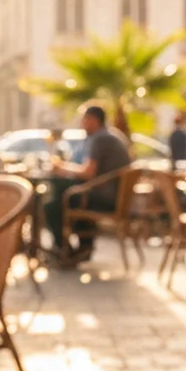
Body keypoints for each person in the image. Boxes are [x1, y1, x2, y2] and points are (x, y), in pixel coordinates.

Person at [46, 102, 132, 261]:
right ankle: (81, 247)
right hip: (111, 196)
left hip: (105, 198)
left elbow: (88, 172)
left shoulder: (100, 138)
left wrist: (62, 168)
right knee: (67, 194)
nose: (82, 123)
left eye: (84, 119)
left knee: (53, 204)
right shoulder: (110, 135)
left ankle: (64, 250)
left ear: (93, 120)